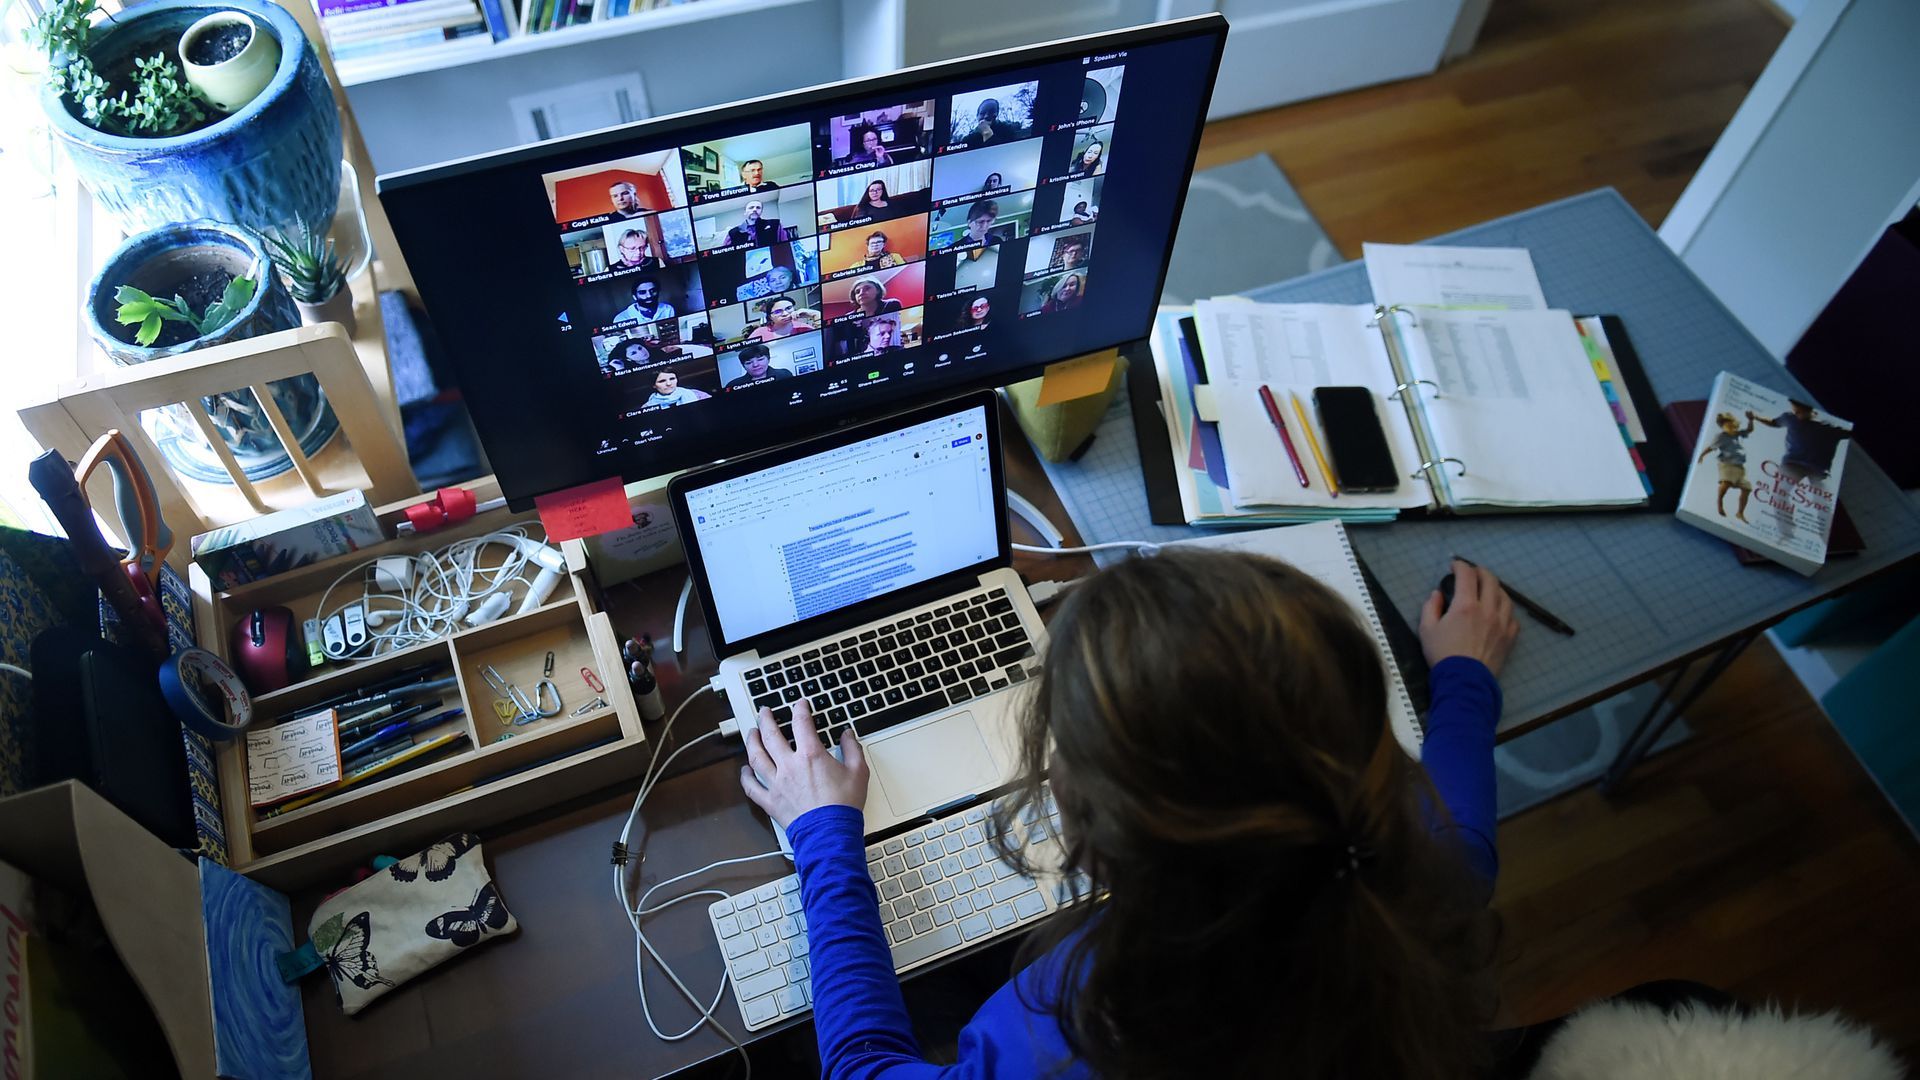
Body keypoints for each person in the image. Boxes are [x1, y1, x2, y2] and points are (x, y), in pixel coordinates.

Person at [740, 553, 1513, 1078]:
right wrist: (1465, 677)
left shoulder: (1073, 1032)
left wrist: (823, 835)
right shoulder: (1419, 878)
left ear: (1095, 839)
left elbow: (864, 1070)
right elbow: (1465, 835)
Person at [1748, 400, 1852, 483]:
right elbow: (1773, 422)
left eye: (1799, 411)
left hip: (1818, 468)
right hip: (1793, 463)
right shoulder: (1790, 418)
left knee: (1822, 500)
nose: (1796, 413)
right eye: (1794, 410)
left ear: (1810, 410)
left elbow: (1849, 434)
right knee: (1780, 496)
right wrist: (1756, 417)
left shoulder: (1828, 427)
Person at [1697, 411, 1755, 523]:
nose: (1728, 426)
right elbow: (1711, 447)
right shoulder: (1721, 436)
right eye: (1725, 425)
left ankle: (1740, 513)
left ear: (1734, 424)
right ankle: (1719, 503)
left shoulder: (1737, 434)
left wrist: (1751, 420)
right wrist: (1702, 455)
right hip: (1727, 464)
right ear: (1723, 426)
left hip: (1739, 467)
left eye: (1730, 424)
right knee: (1726, 483)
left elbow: (1749, 430)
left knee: (1746, 488)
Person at [746, 296, 816, 342]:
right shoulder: (759, 332)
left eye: (789, 308)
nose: (785, 314)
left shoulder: (804, 327)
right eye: (777, 311)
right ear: (770, 316)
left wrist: (816, 314)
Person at [725, 342, 792, 389]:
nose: (755, 365)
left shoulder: (784, 374)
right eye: (749, 363)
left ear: (768, 359)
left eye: (760, 359)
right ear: (743, 366)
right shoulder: (733, 385)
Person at [643, 368, 709, 408]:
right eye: (662, 381)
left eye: (672, 379)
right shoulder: (648, 406)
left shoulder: (697, 394)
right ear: (654, 385)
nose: (669, 384)